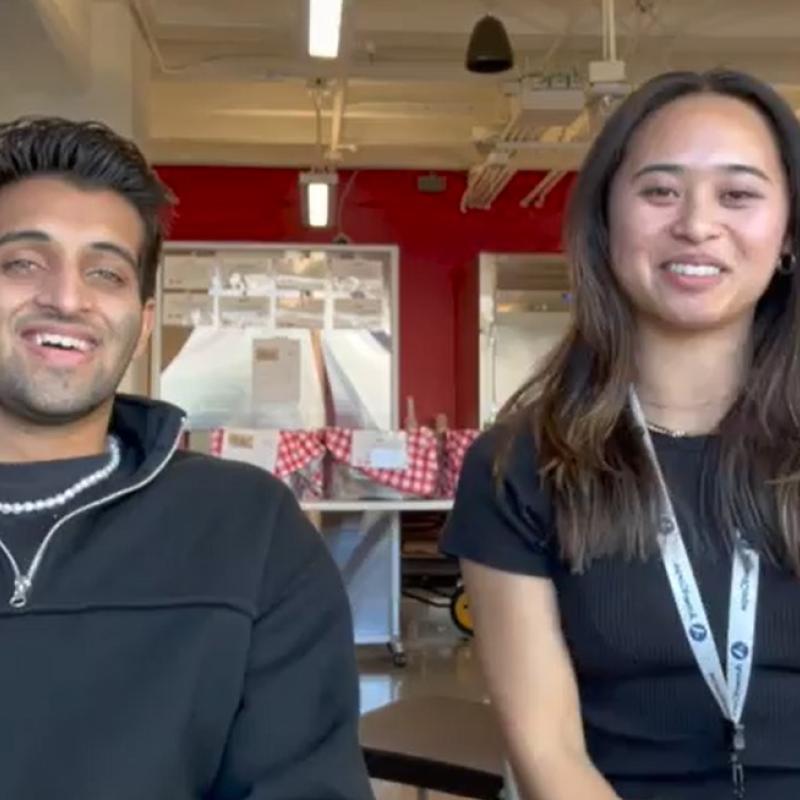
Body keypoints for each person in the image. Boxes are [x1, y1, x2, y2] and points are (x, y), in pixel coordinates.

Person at [442, 68, 800, 800]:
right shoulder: (519, 467)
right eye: (660, 191)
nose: (697, 224)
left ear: (789, 233)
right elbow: (550, 759)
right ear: (607, 225)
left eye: (738, 194)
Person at [0, 117, 373, 800]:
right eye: (23, 262)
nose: (66, 297)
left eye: (106, 271)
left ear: (142, 326)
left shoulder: (250, 530)